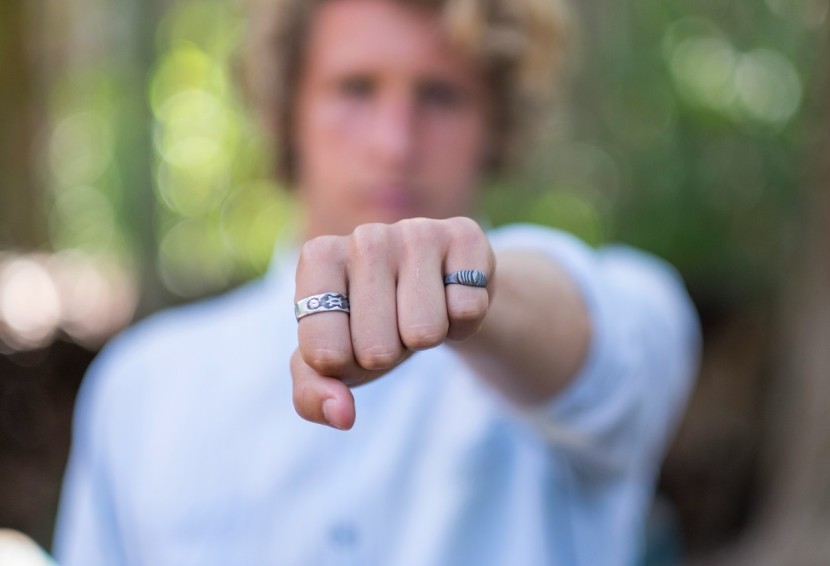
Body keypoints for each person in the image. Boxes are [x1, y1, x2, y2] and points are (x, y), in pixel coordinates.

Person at [54, 0, 701, 564]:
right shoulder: (144, 386)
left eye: (441, 95)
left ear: (494, 125)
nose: (395, 143)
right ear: (288, 112)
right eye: (356, 88)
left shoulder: (626, 305)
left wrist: (477, 292)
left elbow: (609, 354)